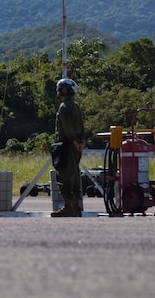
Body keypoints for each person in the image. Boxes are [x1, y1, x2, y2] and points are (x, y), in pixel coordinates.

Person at [51, 77, 86, 217]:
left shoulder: (64, 107)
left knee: (65, 175)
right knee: (75, 175)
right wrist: (81, 142)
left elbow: (67, 128)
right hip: (77, 145)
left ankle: (68, 207)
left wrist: (74, 142)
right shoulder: (75, 105)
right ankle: (76, 206)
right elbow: (81, 125)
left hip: (67, 145)